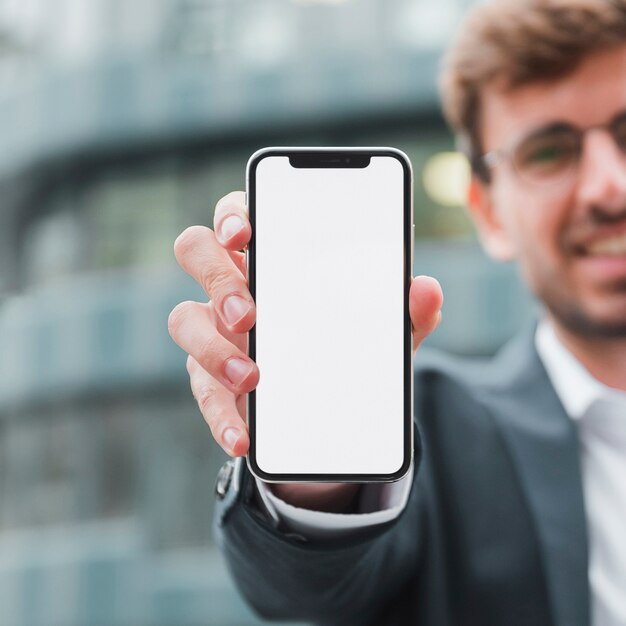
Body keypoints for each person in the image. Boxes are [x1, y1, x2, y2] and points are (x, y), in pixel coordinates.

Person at [167, 0, 626, 624]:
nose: (609, 186)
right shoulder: (432, 433)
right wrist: (316, 455)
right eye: (548, 152)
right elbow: (310, 586)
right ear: (488, 212)